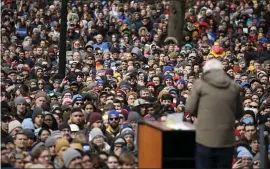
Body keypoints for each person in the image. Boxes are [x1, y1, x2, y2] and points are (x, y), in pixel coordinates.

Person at [186, 59, 243, 169]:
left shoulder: (200, 84)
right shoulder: (234, 86)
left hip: (205, 138)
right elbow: (239, 113)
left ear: (206, 71)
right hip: (226, 139)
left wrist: (203, 114)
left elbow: (190, 108)